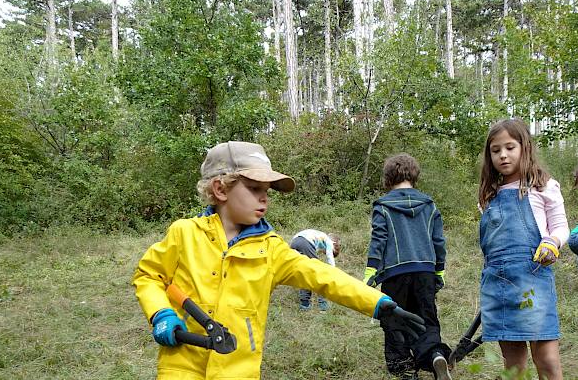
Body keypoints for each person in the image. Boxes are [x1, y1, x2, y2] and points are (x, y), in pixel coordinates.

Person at [131, 141, 425, 380]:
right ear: (220, 189)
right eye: (254, 189)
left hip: (237, 369)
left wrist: (377, 304)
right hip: (180, 365)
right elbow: (149, 277)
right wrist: (161, 314)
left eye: (267, 192)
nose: (264, 199)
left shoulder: (271, 250)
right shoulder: (184, 234)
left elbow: (322, 276)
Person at [477, 119, 569, 380]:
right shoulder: (489, 195)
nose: (503, 155)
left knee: (547, 359)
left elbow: (561, 227)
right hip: (497, 284)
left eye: (510, 147)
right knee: (514, 364)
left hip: (533, 280)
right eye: (496, 151)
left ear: (524, 147)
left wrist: (553, 243)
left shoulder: (543, 186)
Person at [363, 153, 453, 380]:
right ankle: (433, 354)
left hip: (394, 275)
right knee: (426, 316)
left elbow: (378, 240)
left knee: (395, 319)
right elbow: (438, 241)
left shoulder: (382, 206)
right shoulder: (429, 205)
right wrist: (439, 271)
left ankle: (403, 367)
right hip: (425, 272)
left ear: (388, 177)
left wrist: (371, 271)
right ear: (414, 175)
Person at [289, 229, 341, 311]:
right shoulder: (329, 241)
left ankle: (304, 305)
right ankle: (322, 305)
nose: (324, 251)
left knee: (305, 273)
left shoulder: (318, 236)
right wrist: (332, 271)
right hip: (305, 243)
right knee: (318, 274)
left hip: (294, 243)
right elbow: (330, 257)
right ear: (334, 243)